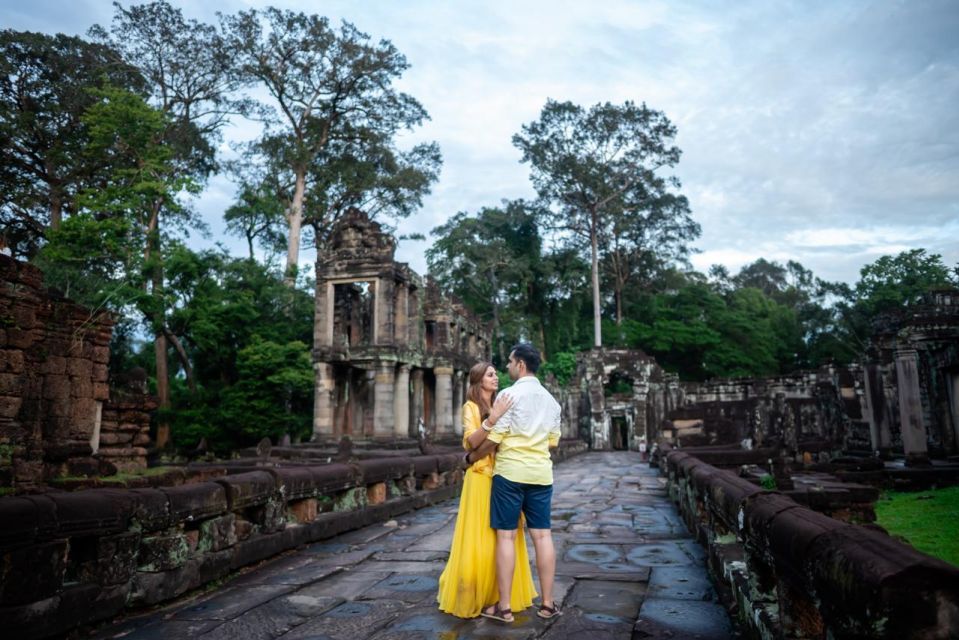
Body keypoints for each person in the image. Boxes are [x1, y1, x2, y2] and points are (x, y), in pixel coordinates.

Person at [466, 343, 562, 623]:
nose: (506, 367)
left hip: (509, 474)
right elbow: (553, 442)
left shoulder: (507, 396)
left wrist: (470, 457)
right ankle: (547, 603)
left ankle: (504, 608)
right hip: (541, 474)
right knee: (542, 536)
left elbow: (493, 441)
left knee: (506, 536)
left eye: (509, 362)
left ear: (520, 364)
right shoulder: (551, 401)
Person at [436, 361, 537, 618]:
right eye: (490, 374)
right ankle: (475, 592)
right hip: (481, 478)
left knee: (505, 537)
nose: (496, 377)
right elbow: (470, 442)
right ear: (479, 379)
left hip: (506, 476)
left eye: (496, 374)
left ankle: (501, 596)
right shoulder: (471, 407)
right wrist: (492, 419)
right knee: (480, 536)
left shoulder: (503, 402)